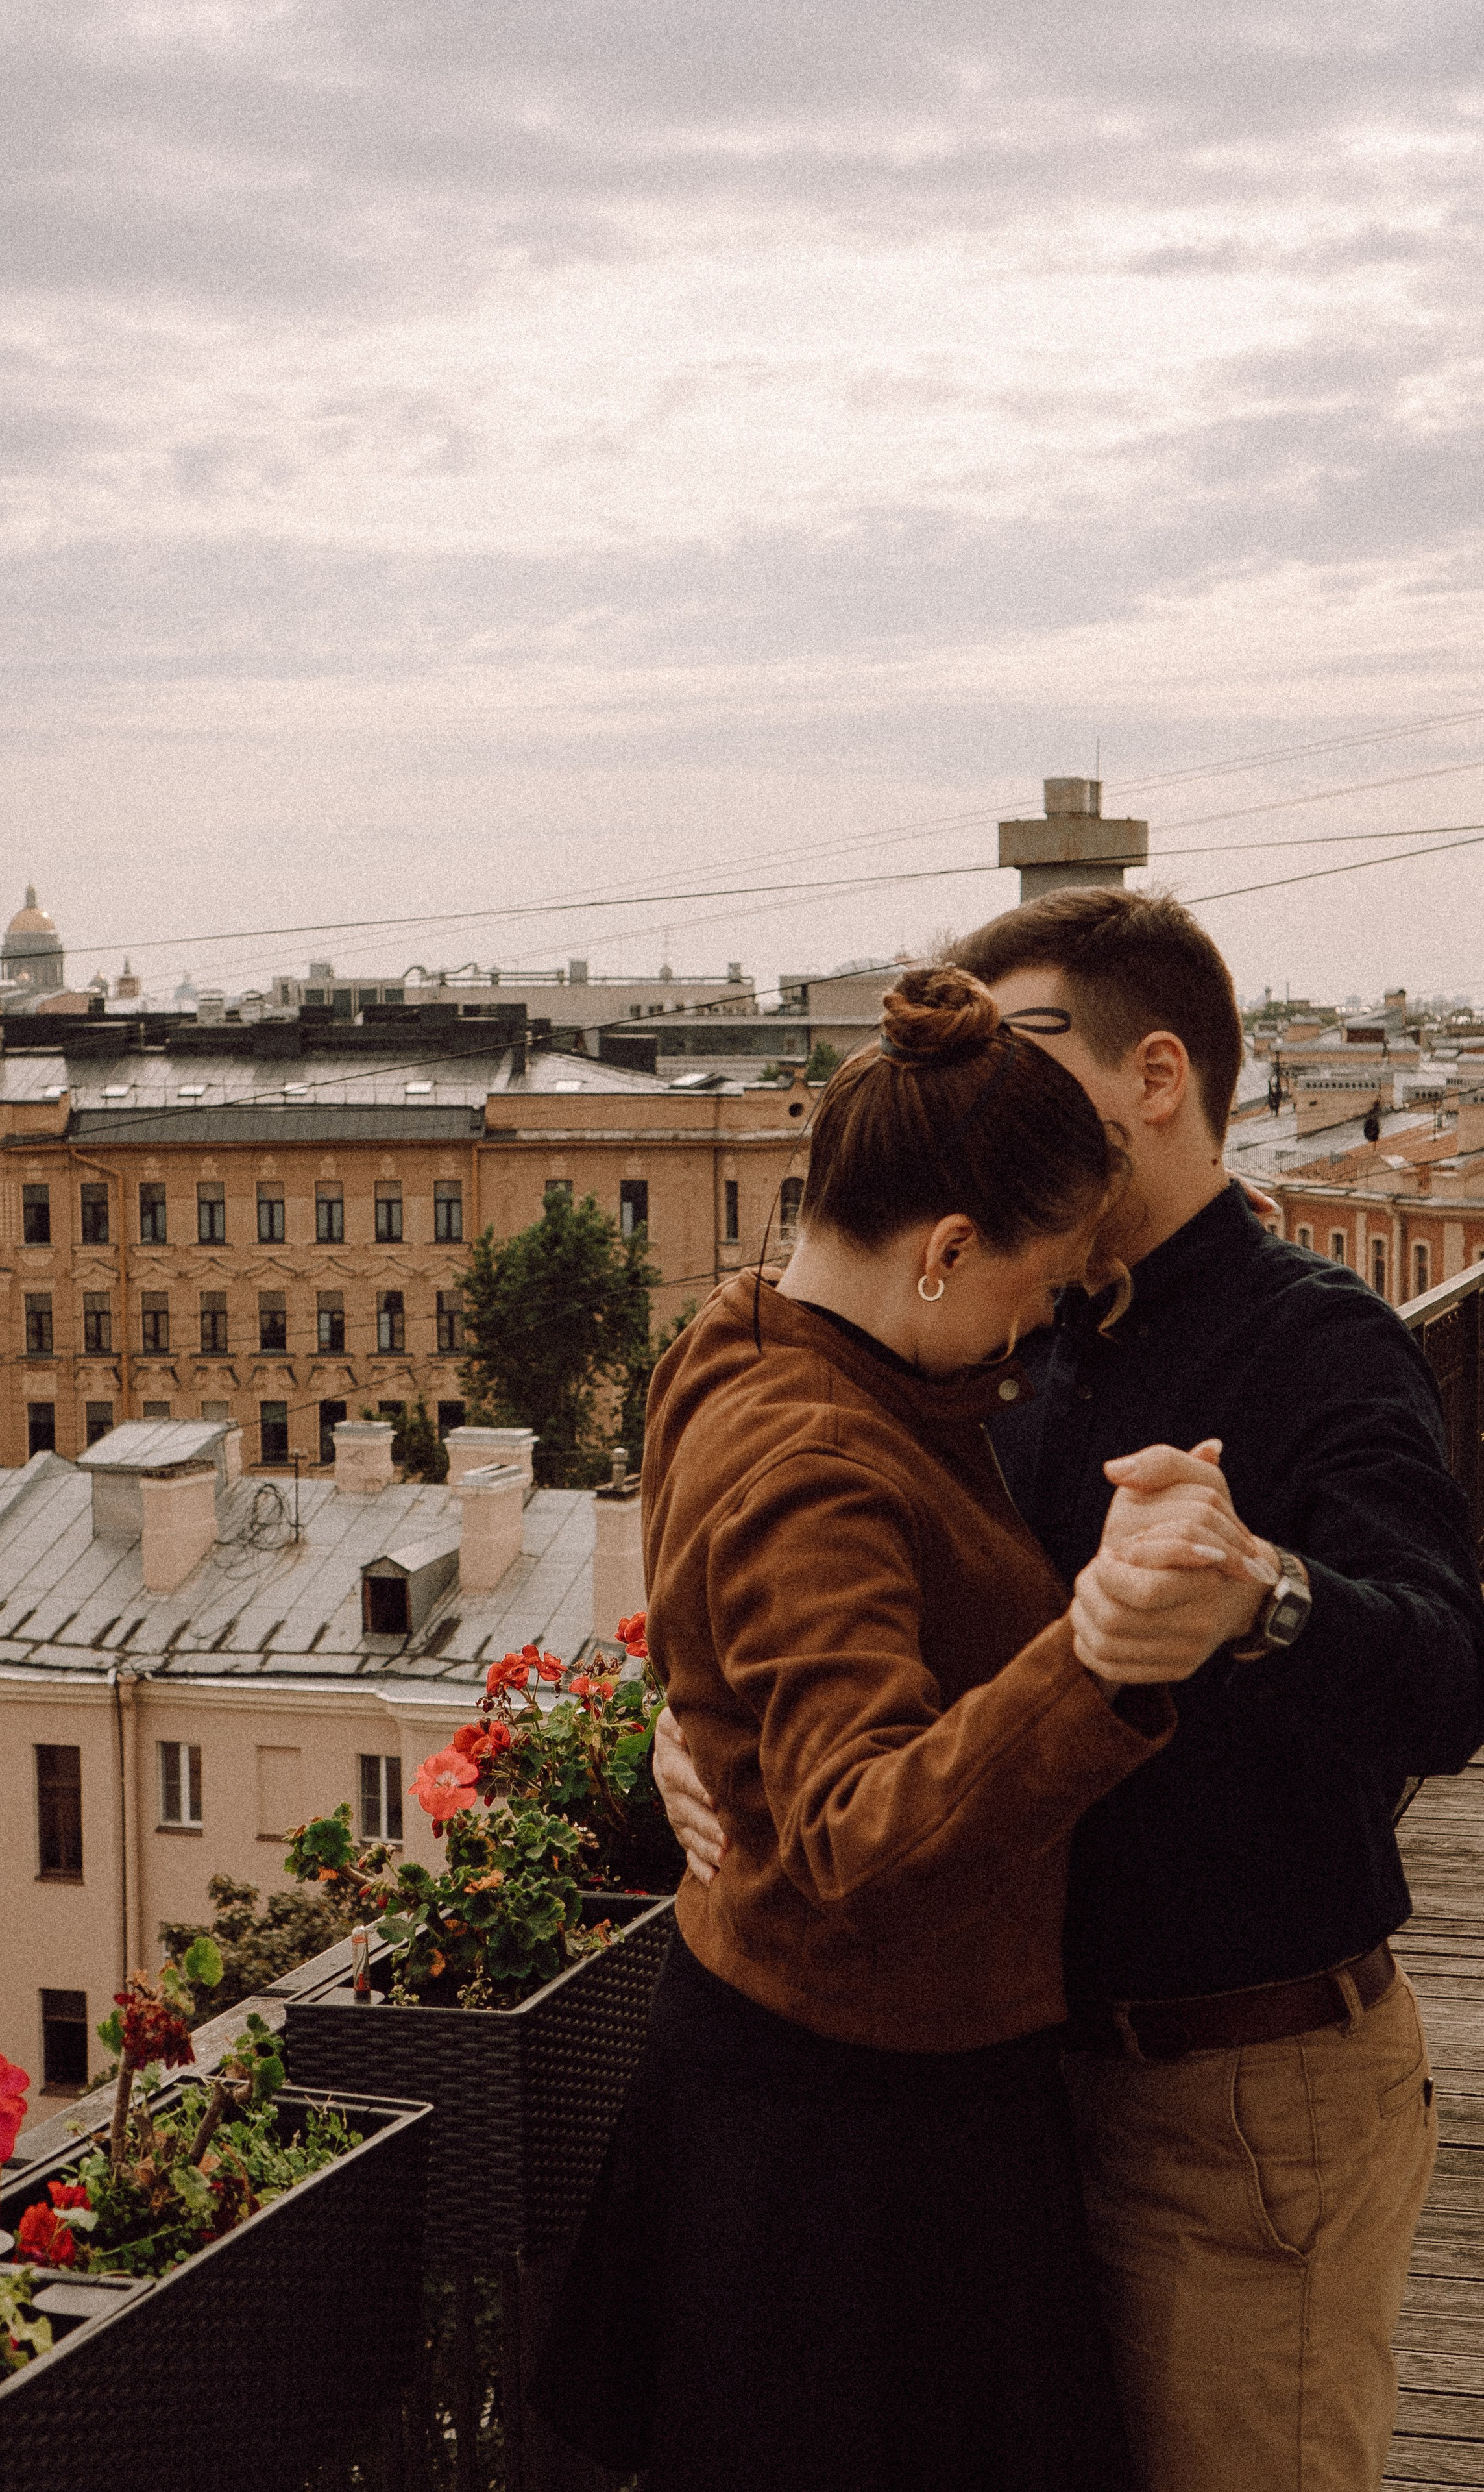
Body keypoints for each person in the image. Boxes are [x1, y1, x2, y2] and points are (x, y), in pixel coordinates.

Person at [656, 889, 1484, 2492]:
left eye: (1025, 1050)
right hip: (1011, 2104)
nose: (987, 1098)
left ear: (1154, 1075)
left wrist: (1266, 1594)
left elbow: (1448, 1684)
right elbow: (815, 1571)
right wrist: (687, 1717)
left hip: (1234, 2105)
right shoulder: (1003, 1332)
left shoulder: (1317, 1344)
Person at [537, 963, 1276, 2492]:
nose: (1045, 1326)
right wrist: (1100, 1648)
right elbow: (855, 1833)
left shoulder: (749, 1340)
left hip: (798, 2087)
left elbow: (744, 1687)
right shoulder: (814, 1453)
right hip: (855, 2142)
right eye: (1043, 1280)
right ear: (944, 1251)